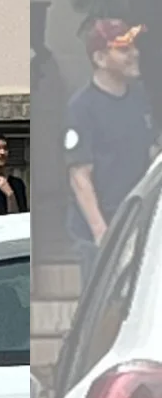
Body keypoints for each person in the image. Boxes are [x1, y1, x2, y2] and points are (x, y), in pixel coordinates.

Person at [65, 18, 160, 285]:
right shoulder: (82, 107)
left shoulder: (139, 96)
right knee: (103, 311)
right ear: (100, 58)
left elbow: (152, 153)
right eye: (124, 49)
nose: (135, 54)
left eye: (133, 47)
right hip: (103, 229)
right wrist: (101, 233)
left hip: (137, 221)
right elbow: (79, 176)